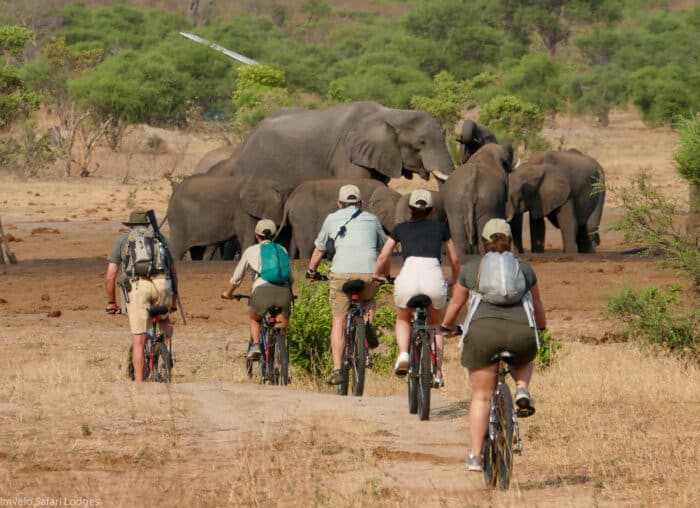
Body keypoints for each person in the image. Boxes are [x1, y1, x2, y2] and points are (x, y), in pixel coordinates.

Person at [440, 218, 546, 472]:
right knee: (523, 356)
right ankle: (521, 388)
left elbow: (455, 304)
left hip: (483, 334)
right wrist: (540, 328)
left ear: (484, 242)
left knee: (481, 396)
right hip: (521, 332)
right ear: (510, 241)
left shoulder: (472, 269)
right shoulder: (524, 268)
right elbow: (538, 307)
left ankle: (475, 455)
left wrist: (446, 326)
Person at [373, 188, 460, 386]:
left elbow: (383, 256)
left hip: (408, 277)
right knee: (435, 325)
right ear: (431, 210)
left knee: (403, 319)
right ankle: (437, 373)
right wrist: (454, 278)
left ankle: (404, 353)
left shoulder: (400, 228)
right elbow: (454, 259)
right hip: (433, 276)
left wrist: (377, 275)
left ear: (410, 209)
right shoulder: (441, 228)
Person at [306, 184, 387, 385]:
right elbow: (385, 247)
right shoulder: (373, 219)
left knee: (339, 321)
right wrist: (383, 273)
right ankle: (367, 326)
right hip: (369, 273)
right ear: (361, 203)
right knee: (369, 300)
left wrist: (311, 271)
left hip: (341, 274)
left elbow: (319, 251)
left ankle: (337, 370)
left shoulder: (331, 218)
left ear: (339, 203)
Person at [105, 210, 177, 382]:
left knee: (139, 339)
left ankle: (139, 384)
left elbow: (110, 275)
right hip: (162, 284)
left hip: (138, 285)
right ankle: (167, 356)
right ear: (147, 224)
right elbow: (173, 273)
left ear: (130, 225)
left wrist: (111, 302)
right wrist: (173, 300)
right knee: (164, 321)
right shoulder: (159, 238)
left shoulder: (124, 239)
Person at [221, 219, 293, 360]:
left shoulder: (251, 251)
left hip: (261, 292)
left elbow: (237, 278)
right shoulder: (282, 250)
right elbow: (290, 278)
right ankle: (281, 353)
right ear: (274, 235)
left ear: (256, 235)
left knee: (255, 319)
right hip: (284, 292)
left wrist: (228, 293)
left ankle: (255, 345)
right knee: (281, 326)